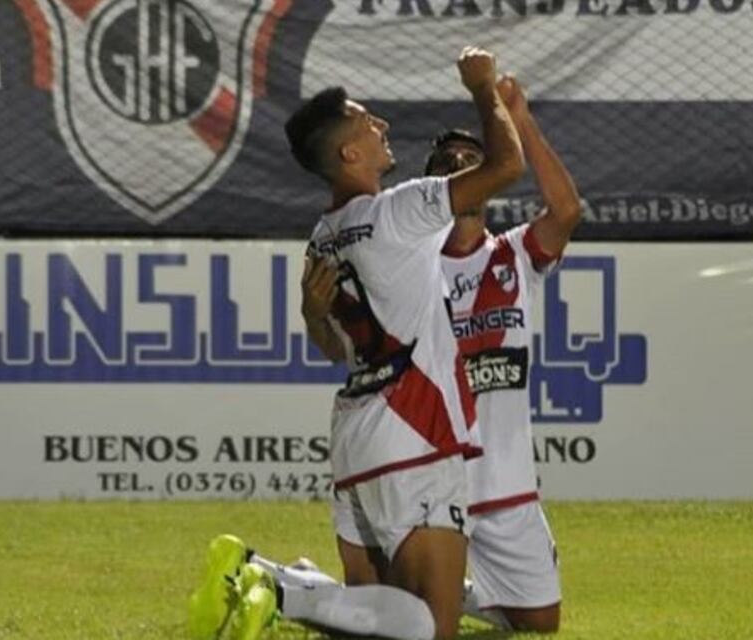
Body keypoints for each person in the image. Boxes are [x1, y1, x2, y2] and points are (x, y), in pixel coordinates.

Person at [188, 46, 526, 640]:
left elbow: (330, 347)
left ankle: (254, 571)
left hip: (357, 433)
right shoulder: (401, 209)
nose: (383, 127)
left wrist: (310, 313)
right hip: (416, 430)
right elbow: (505, 168)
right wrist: (483, 89)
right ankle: (284, 593)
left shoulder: (323, 238)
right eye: (369, 123)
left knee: (378, 618)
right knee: (431, 628)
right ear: (349, 154)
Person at [303, 76, 582, 633]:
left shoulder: (511, 255)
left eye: (468, 157)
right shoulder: (403, 252)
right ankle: (310, 594)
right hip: (426, 447)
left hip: (495, 473)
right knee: (410, 619)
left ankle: (329, 594)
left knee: (538, 620)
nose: (457, 163)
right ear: (434, 183)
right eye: (445, 160)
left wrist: (520, 118)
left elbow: (567, 211)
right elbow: (339, 341)